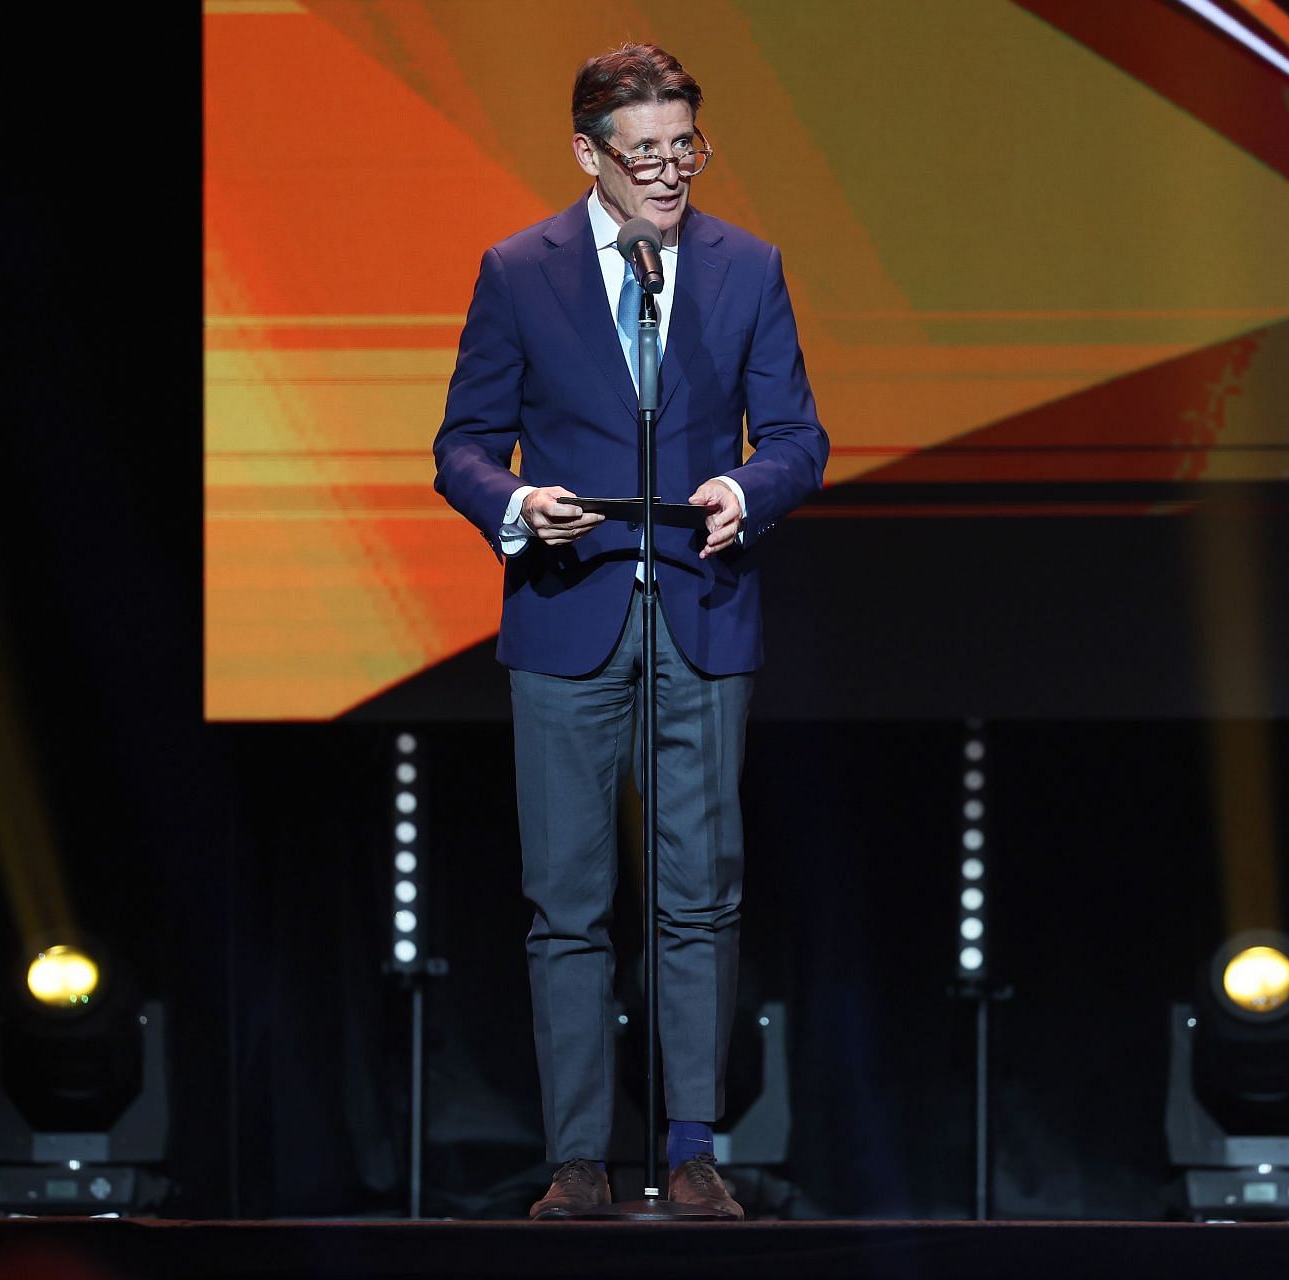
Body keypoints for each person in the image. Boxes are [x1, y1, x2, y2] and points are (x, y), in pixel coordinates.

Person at [432, 42, 829, 1220]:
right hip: (567, 611)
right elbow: (461, 441)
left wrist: (748, 490)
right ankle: (576, 1159)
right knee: (568, 900)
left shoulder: (746, 266)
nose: (669, 173)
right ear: (587, 154)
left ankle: (697, 1146)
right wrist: (515, 504)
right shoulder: (520, 270)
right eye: (644, 152)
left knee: (701, 893)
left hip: (702, 610)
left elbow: (799, 435)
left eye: (685, 148)